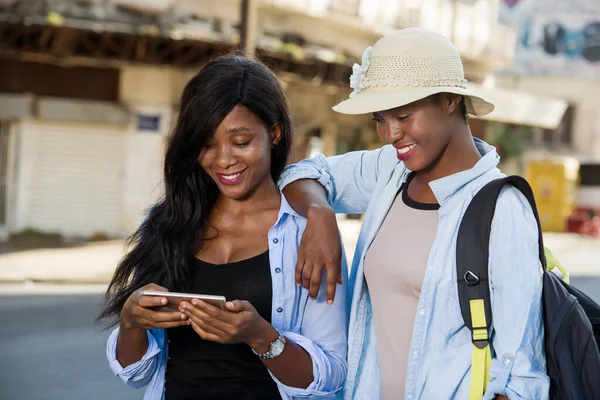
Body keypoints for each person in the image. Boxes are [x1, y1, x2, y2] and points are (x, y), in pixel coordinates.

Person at [278, 28, 549, 399]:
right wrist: (320, 213)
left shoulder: (502, 209)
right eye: (380, 118)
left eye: (404, 115)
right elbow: (304, 173)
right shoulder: (390, 171)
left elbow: (522, 376)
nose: (390, 134)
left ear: (451, 99)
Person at [97, 56, 348, 400]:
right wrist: (131, 321)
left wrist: (262, 338)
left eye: (241, 142)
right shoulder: (168, 223)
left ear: (273, 133)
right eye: (206, 143)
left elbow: (331, 376)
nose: (223, 159)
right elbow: (135, 372)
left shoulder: (307, 235)